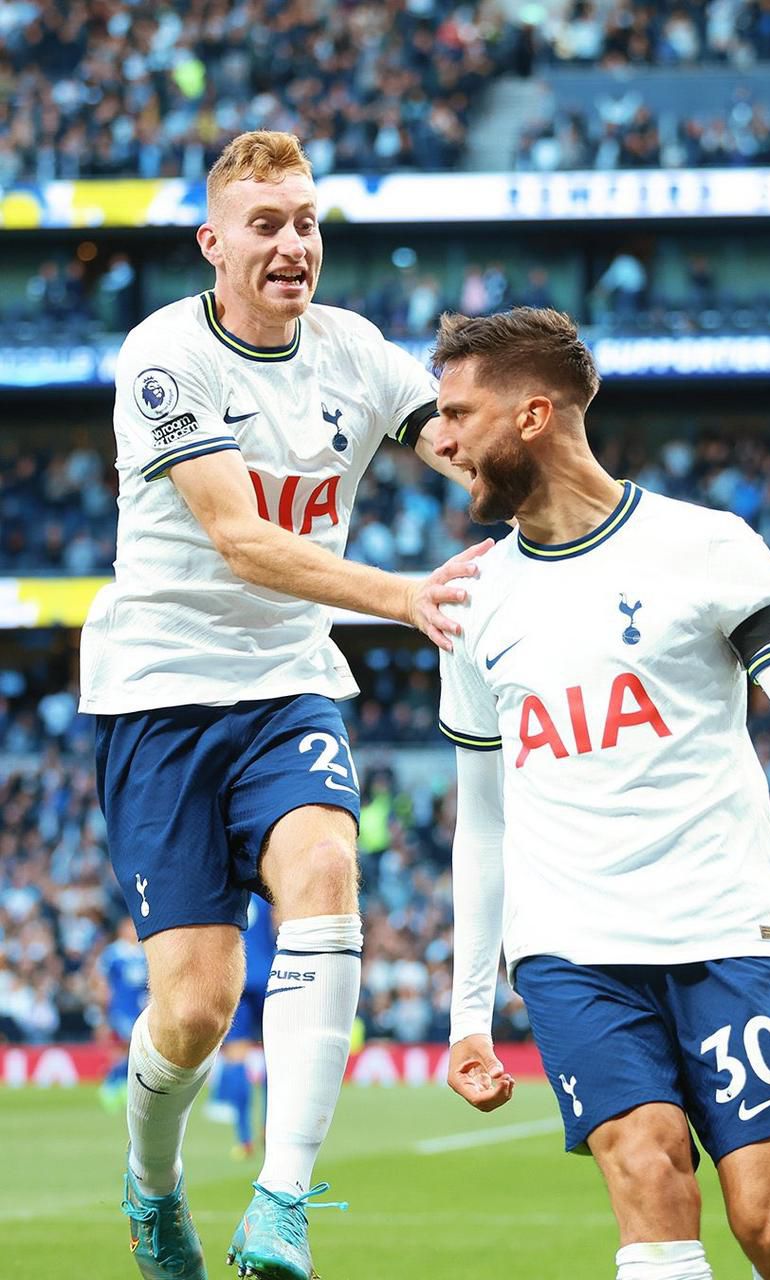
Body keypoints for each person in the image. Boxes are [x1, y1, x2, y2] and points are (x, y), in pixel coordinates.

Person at [78, 130, 485, 1280]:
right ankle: (152, 1188)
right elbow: (243, 538)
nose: (293, 243)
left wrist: (566, 497)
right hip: (158, 693)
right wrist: (403, 594)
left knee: (326, 869)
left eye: (306, 222)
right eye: (267, 224)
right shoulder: (165, 355)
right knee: (196, 1009)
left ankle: (283, 1201)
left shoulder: (355, 353)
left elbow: (460, 443)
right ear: (213, 242)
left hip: (289, 684)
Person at [431, 307, 770, 1280]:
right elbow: (482, 821)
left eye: (458, 413)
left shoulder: (705, 546)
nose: (441, 439)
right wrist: (467, 1008)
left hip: (724, 929)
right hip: (572, 951)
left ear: (532, 413)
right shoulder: (468, 599)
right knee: (651, 1177)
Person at [206, 894, 276, 1158]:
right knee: (275, 1056)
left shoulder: (223, 890)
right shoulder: (263, 893)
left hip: (236, 977)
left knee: (236, 1058)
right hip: (267, 974)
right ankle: (270, 1128)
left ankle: (244, 1137)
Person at [95, 916, 150, 1113]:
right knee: (126, 1047)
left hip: (140, 1008)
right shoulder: (114, 953)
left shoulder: (143, 951)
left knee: (134, 1050)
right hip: (120, 1008)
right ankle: (111, 1085)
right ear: (121, 930)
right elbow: (101, 980)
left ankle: (120, 1085)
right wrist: (103, 1004)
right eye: (129, 927)